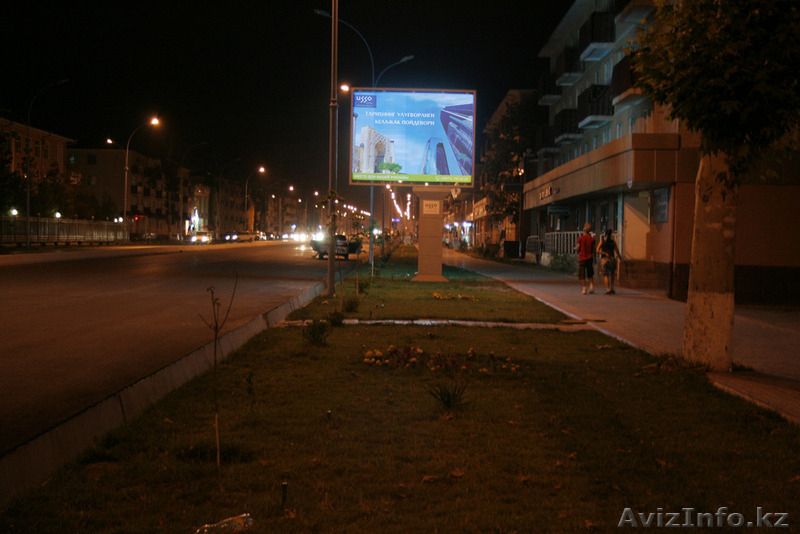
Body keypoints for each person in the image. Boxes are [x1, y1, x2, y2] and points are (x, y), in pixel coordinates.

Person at [596, 229, 621, 294]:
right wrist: (620, 258)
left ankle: (608, 289)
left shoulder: (602, 242)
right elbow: (617, 251)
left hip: (604, 260)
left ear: (605, 234)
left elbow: (597, 250)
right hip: (612, 259)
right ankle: (612, 288)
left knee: (605, 275)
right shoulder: (613, 242)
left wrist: (604, 253)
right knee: (612, 274)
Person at [574, 222, 595, 294]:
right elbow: (593, 249)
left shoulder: (580, 238)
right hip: (589, 257)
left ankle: (584, 288)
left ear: (584, 230)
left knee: (582, 274)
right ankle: (591, 287)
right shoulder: (592, 239)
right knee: (590, 273)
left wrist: (575, 248)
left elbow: (578, 247)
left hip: (582, 257)